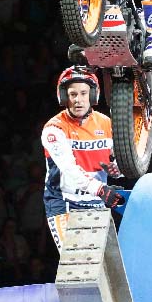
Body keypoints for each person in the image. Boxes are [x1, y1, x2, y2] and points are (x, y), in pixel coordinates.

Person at [41, 67, 126, 251]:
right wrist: (101, 190)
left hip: (96, 201)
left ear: (93, 95)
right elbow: (69, 169)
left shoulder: (106, 123)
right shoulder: (53, 129)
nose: (78, 100)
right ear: (64, 97)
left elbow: (120, 163)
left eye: (83, 93)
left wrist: (116, 169)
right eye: (72, 94)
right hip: (63, 202)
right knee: (75, 259)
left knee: (100, 263)